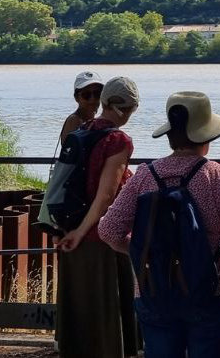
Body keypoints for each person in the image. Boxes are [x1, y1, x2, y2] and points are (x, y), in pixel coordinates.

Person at [99, 91, 220, 358]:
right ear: (207, 138)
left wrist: (144, 252)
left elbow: (108, 231)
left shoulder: (145, 175)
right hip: (213, 291)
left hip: (154, 292)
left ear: (170, 136)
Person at [54, 76, 142, 358]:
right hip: (101, 238)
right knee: (107, 314)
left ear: (103, 101)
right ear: (126, 109)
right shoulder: (118, 140)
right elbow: (105, 196)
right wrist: (81, 232)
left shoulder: (82, 131)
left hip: (71, 231)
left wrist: (69, 230)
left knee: (81, 312)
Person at [59, 71, 104, 145]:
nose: (92, 99)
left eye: (97, 94)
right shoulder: (75, 120)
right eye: (86, 94)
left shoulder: (91, 121)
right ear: (77, 98)